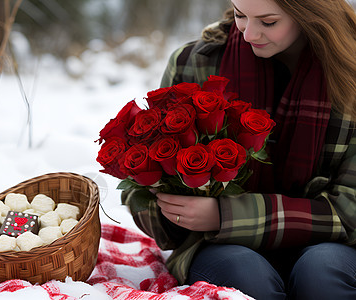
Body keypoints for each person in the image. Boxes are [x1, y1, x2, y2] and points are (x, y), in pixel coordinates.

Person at [122, 0, 356, 299]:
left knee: (321, 272)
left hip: (336, 247)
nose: (248, 34)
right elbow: (144, 192)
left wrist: (227, 216)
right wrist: (168, 201)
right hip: (222, 247)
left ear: (311, 14)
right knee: (244, 274)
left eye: (268, 22)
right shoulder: (195, 62)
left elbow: (350, 210)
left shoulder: (350, 71)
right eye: (240, 15)